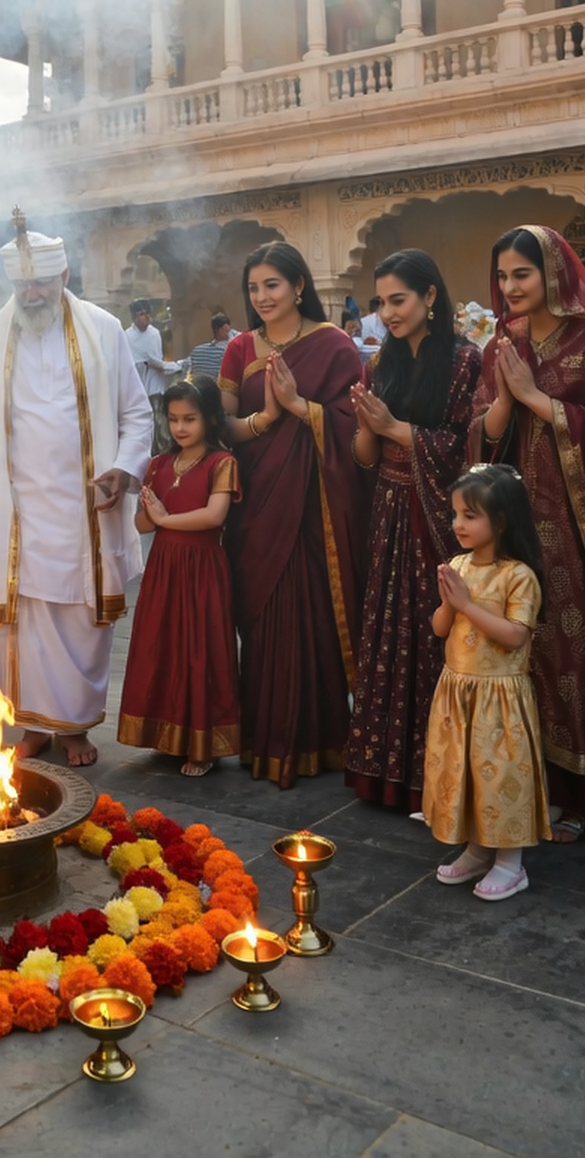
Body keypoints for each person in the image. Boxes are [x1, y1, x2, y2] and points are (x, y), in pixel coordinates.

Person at [471, 226, 585, 842]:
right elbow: (484, 432)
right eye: (502, 276)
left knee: (572, 652)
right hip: (515, 522)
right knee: (517, 652)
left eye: (521, 274)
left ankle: (581, 791)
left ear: (552, 271)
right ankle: (530, 783)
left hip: (578, 527)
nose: (510, 287)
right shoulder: (505, 338)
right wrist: (507, 395)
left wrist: (534, 396)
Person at [0, 223, 151, 767]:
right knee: (21, 623)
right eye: (23, 286)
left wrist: (123, 471)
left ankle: (75, 727)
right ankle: (32, 725)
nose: (32, 294)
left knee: (80, 622)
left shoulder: (104, 331)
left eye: (41, 282)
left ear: (64, 274)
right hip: (12, 515)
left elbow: (136, 414)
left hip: (85, 510)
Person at [219, 240, 365, 787]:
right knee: (261, 624)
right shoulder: (239, 349)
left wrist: (302, 409)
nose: (261, 297)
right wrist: (266, 417)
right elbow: (223, 427)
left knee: (314, 616)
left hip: (312, 504)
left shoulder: (333, 345)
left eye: (272, 285)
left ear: (299, 285)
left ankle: (321, 739)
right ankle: (264, 739)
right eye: (254, 288)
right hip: (256, 502)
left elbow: (354, 426)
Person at [347, 249, 482, 812]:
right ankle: (387, 770)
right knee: (388, 630)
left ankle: (441, 773)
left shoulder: (463, 361)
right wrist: (367, 427)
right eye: (381, 302)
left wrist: (395, 427)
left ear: (430, 297)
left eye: (398, 300)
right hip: (390, 508)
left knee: (434, 632)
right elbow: (365, 457)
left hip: (438, 516)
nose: (387, 313)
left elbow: (466, 449)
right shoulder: (382, 364)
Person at [424, 465, 550, 901]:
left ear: (500, 521)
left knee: (501, 777)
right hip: (458, 690)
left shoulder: (518, 575)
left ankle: (510, 864)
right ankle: (478, 849)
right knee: (467, 774)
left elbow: (516, 634)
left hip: (499, 696)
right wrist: (447, 604)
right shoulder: (458, 565)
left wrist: (466, 604)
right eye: (455, 514)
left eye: (469, 515)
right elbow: (441, 628)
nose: (457, 524)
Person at [117, 379, 241, 776]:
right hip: (164, 569)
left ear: (209, 418)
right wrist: (145, 508)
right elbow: (142, 526)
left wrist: (165, 517)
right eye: (173, 420)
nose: (180, 428)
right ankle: (165, 735)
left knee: (199, 649)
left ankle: (201, 746)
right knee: (162, 646)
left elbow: (214, 516)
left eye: (190, 419)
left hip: (203, 568)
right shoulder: (158, 464)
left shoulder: (222, 463)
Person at [126, 302, 182, 452]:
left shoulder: (154, 333)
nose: (146, 317)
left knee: (160, 425)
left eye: (147, 314)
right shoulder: (128, 336)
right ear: (134, 317)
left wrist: (174, 366)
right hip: (137, 389)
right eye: (142, 314)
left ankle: (164, 455)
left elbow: (156, 362)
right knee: (143, 427)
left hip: (155, 388)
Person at [187, 312, 234, 383]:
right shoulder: (226, 352)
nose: (229, 332)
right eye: (226, 330)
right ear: (219, 330)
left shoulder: (197, 350)